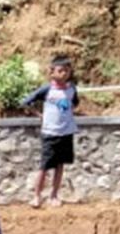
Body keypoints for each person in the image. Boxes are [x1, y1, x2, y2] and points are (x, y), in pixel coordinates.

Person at [21, 55, 79, 208]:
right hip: (50, 133)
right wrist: (40, 115)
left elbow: (75, 104)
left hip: (66, 133)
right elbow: (26, 102)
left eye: (66, 71)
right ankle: (36, 196)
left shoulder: (71, 89)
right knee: (44, 166)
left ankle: (54, 195)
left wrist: (67, 116)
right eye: (60, 71)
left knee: (60, 165)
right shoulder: (47, 89)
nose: (64, 74)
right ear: (52, 72)